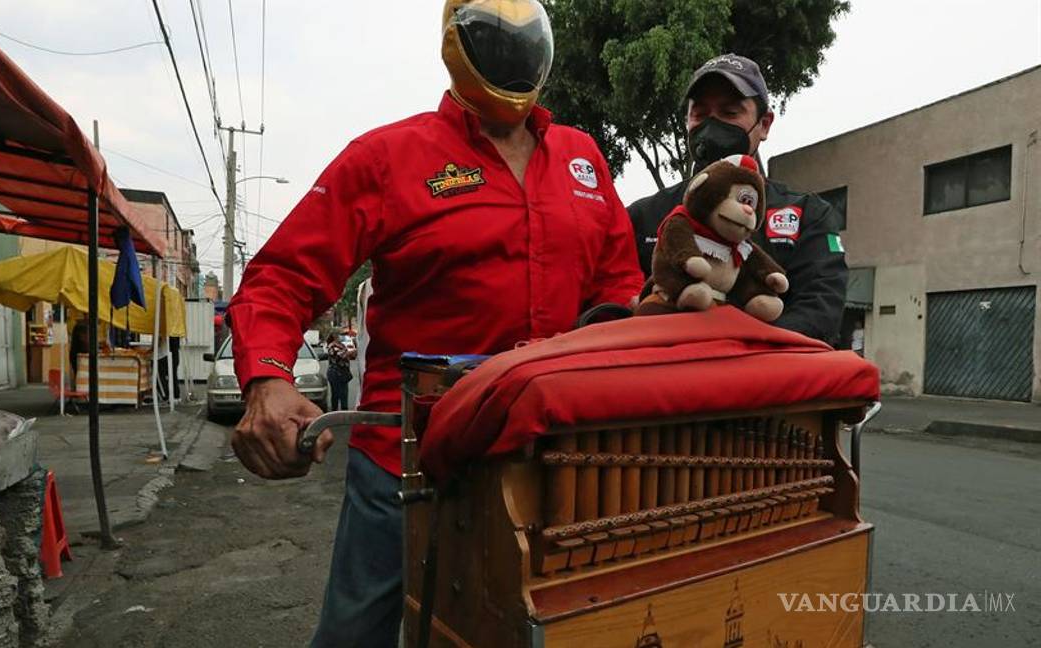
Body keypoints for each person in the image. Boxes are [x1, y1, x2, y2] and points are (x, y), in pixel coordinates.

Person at [227, 2, 642, 645]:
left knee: (534, 631)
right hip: (405, 462)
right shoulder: (388, 157)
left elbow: (620, 289)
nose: (512, 51)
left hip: (548, 457)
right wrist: (268, 379)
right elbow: (282, 276)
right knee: (353, 637)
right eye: (495, 39)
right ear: (456, 43)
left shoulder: (582, 159)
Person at [627, 53, 848, 344]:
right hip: (664, 367)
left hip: (767, 369)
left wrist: (739, 352)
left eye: (730, 113)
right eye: (700, 114)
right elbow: (618, 296)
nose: (712, 125)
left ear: (764, 124)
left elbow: (821, 309)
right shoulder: (644, 216)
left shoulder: (810, 215)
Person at [325, 333, 353, 411]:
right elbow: (339, 355)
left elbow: (350, 356)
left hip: (342, 373)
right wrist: (349, 352)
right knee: (338, 394)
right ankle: (339, 411)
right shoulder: (332, 346)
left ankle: (341, 410)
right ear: (334, 337)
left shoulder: (341, 345)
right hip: (336, 373)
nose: (340, 337)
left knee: (341, 393)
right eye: (338, 336)